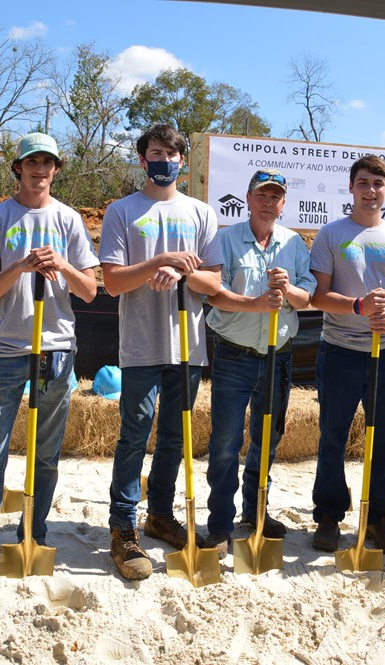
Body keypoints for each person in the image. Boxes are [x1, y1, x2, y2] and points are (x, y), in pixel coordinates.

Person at [0, 132, 98, 597]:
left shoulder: (68, 220)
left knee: (46, 454)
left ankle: (33, 534)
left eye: (47, 163)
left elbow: (90, 291)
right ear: (17, 168)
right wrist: (19, 267)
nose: (39, 170)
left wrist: (62, 266)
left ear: (56, 169)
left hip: (56, 351)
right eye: (31, 162)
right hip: (5, 350)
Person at [99, 124, 222, 580]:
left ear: (182, 162)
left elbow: (214, 283)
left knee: (174, 437)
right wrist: (159, 261)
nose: (164, 161)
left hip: (186, 347)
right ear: (142, 159)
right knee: (134, 435)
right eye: (155, 153)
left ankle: (161, 515)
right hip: (141, 345)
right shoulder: (122, 211)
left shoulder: (201, 213)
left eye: (172, 154)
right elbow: (113, 281)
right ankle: (123, 526)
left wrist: (185, 274)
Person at [202, 168, 317, 557]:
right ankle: (220, 523)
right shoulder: (226, 239)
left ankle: (255, 512)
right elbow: (214, 293)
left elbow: (307, 298)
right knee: (225, 441)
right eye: (262, 195)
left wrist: (288, 288)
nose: (268, 202)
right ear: (249, 199)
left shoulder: (294, 244)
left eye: (275, 197)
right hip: (234, 355)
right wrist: (255, 304)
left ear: (283, 204)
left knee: (267, 439)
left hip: (277, 357)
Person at [308, 154, 385, 554]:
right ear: (351, 188)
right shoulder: (331, 234)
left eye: (377, 184)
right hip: (340, 351)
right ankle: (329, 515)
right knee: (333, 436)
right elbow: (318, 296)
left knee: (384, 440)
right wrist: (358, 306)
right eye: (363, 183)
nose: (370, 191)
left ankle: (376, 518)